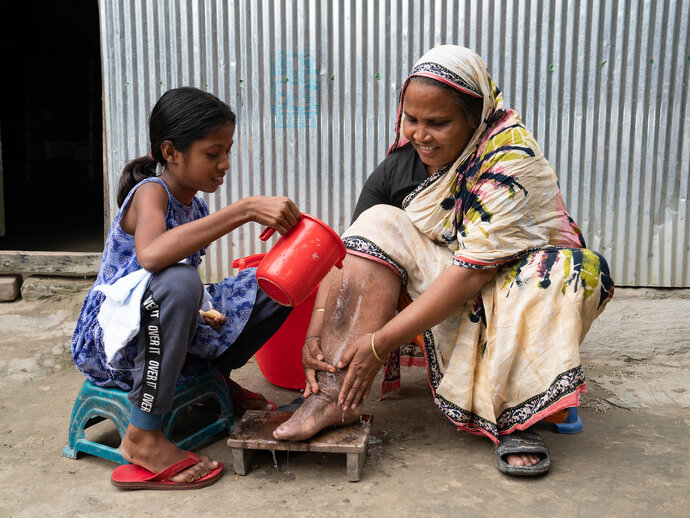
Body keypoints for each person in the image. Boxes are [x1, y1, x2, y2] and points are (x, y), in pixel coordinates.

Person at [273, 45, 614, 476]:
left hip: (513, 285)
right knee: (377, 220)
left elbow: (472, 276)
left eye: (438, 123)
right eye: (411, 119)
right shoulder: (398, 168)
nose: (420, 135)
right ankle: (331, 397)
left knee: (564, 272)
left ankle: (515, 417)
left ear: (475, 119)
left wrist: (380, 343)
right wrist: (317, 328)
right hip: (446, 282)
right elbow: (351, 249)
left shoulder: (509, 161)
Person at [71, 87, 301, 489]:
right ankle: (143, 435)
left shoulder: (194, 203)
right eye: (213, 154)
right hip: (111, 340)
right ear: (171, 152)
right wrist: (243, 210)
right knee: (180, 281)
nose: (224, 164)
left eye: (227, 151)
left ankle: (214, 373)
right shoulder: (150, 193)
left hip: (157, 321)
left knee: (279, 275)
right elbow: (153, 258)